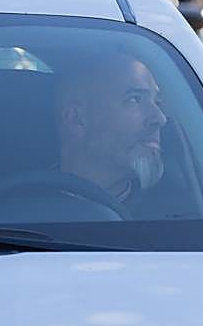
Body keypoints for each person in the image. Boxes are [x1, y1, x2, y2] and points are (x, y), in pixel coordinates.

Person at [57, 52, 168, 209]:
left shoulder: (185, 212)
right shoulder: (26, 211)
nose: (160, 118)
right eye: (134, 99)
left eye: (158, 102)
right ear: (77, 118)